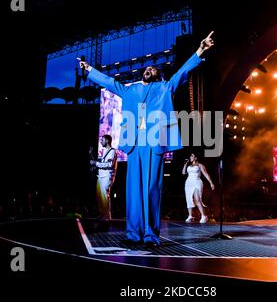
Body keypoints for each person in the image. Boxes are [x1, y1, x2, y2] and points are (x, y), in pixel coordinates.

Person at [79, 32, 215, 247]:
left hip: (154, 143)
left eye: (153, 69)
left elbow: (181, 72)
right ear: (143, 73)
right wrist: (89, 70)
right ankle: (133, 234)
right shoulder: (130, 90)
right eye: (147, 69)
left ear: (157, 75)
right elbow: (109, 82)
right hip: (135, 144)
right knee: (133, 191)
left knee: (152, 189)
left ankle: (151, 236)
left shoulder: (163, 88)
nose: (150, 69)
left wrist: (200, 50)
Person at [182, 153, 215, 223]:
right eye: (190, 156)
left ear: (195, 158)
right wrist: (185, 164)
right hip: (188, 183)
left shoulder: (200, 165)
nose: (190, 157)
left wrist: (211, 182)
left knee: (197, 199)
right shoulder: (188, 165)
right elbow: (183, 173)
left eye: (192, 156)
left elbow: (205, 174)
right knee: (189, 199)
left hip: (197, 182)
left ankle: (204, 216)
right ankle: (190, 216)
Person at [94, 134, 118, 221]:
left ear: (107, 141)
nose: (100, 142)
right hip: (101, 176)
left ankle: (107, 216)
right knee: (99, 196)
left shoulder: (112, 151)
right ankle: (102, 214)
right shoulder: (105, 151)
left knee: (105, 196)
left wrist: (96, 164)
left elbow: (109, 164)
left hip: (107, 176)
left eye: (102, 140)